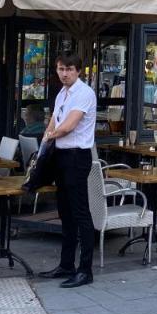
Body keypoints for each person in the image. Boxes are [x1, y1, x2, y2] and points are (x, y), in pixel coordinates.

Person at [42, 52, 98, 288]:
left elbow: (69, 125)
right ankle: (67, 264)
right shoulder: (62, 94)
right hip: (62, 155)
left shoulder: (84, 93)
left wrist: (51, 136)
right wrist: (45, 143)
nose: (64, 73)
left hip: (77, 156)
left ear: (78, 71)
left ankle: (85, 270)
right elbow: (54, 121)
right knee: (64, 212)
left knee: (80, 212)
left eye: (69, 69)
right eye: (60, 69)